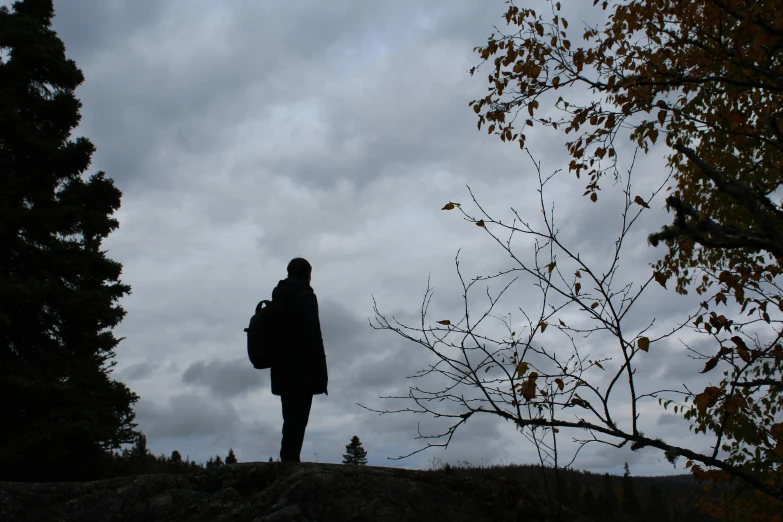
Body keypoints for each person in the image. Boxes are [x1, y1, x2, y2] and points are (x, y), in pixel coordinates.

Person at [270, 257, 328, 462]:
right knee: (299, 417)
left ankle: (288, 456)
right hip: (303, 368)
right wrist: (321, 373)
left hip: (280, 366)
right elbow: (313, 336)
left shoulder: (278, 295)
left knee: (289, 417)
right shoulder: (306, 297)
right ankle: (290, 459)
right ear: (307, 274)